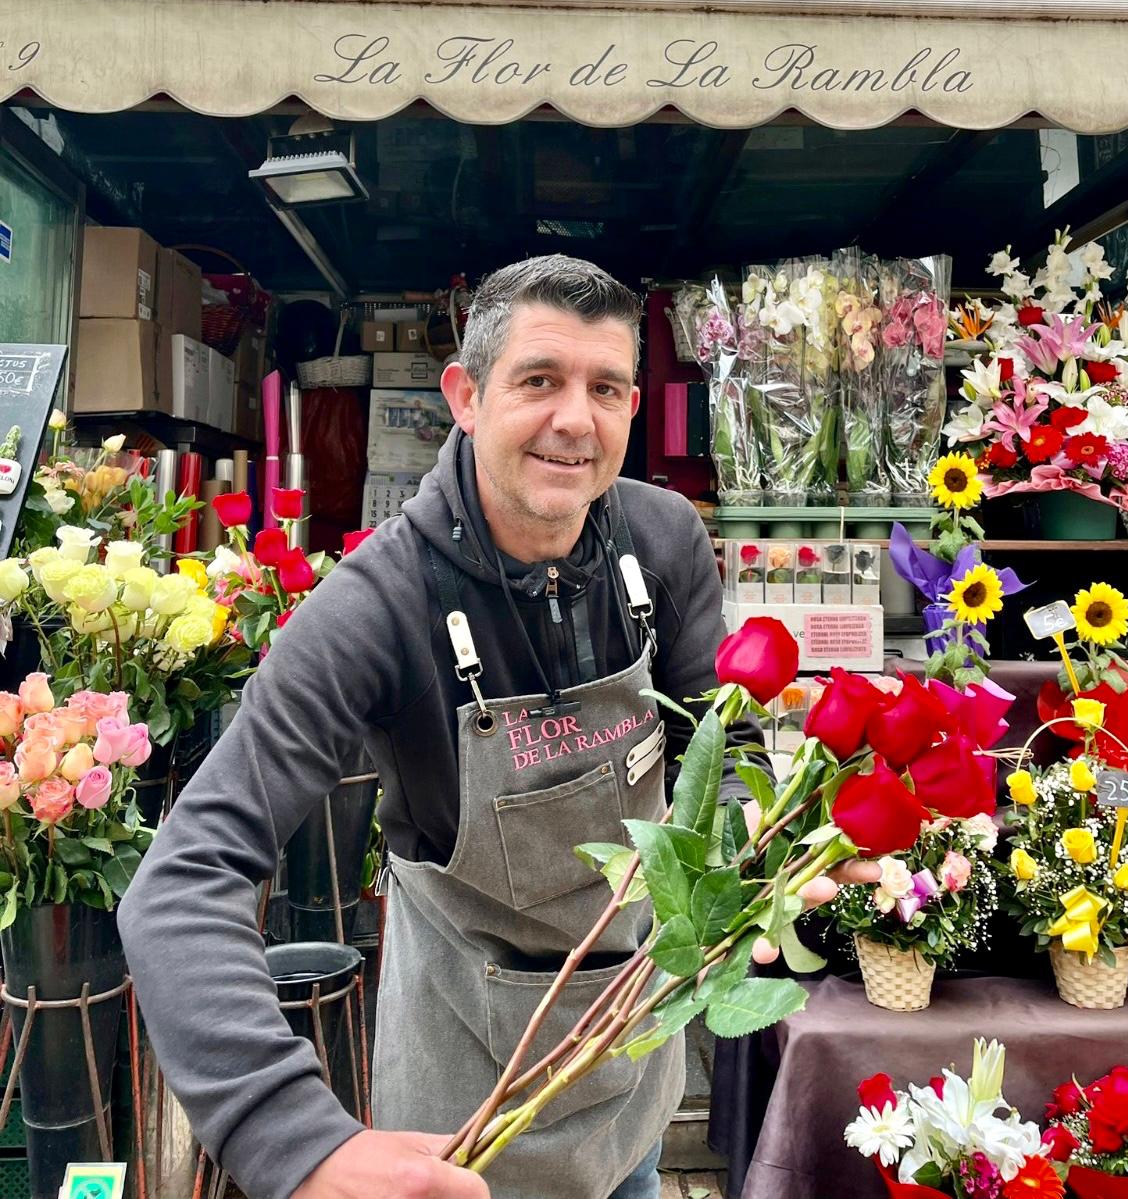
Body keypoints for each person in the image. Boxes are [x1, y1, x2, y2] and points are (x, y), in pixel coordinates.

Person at [120, 255, 872, 1199]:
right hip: (462, 1110)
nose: (575, 420)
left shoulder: (665, 540)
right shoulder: (377, 606)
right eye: (539, 381)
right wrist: (296, 1138)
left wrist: (771, 846)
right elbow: (184, 880)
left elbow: (718, 752)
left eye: (606, 388)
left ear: (634, 408)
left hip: (631, 1058)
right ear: (465, 396)